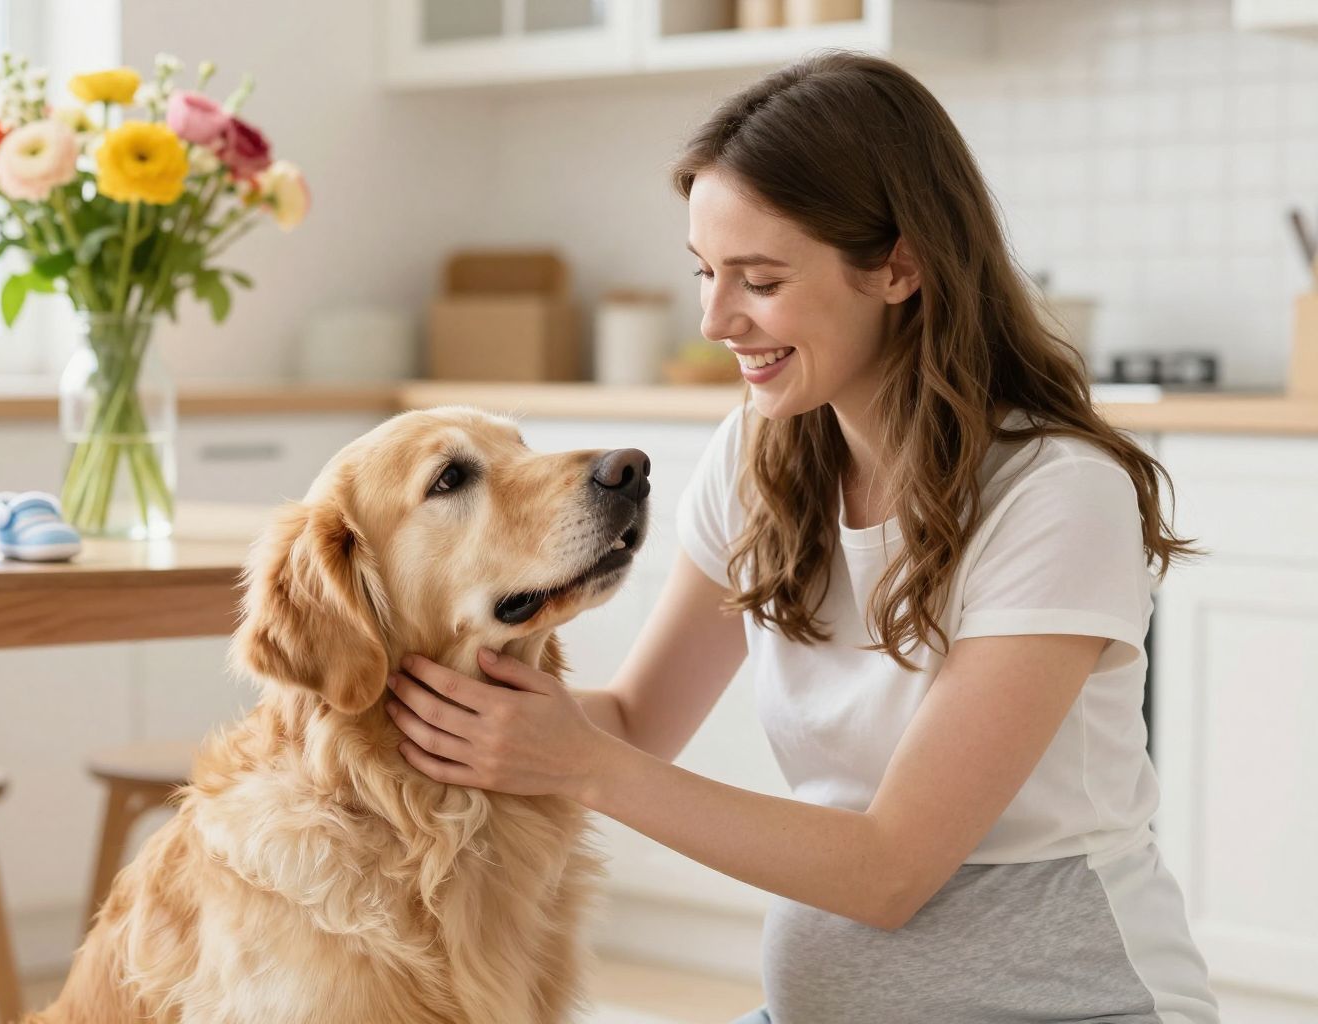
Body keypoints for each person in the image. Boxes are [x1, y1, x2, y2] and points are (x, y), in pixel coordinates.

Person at [384, 50, 1220, 1024]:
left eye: (760, 279)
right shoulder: (761, 452)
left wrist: (582, 762)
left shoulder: (1057, 493)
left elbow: (891, 868)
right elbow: (634, 721)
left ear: (898, 264)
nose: (715, 318)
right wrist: (459, 714)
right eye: (705, 273)